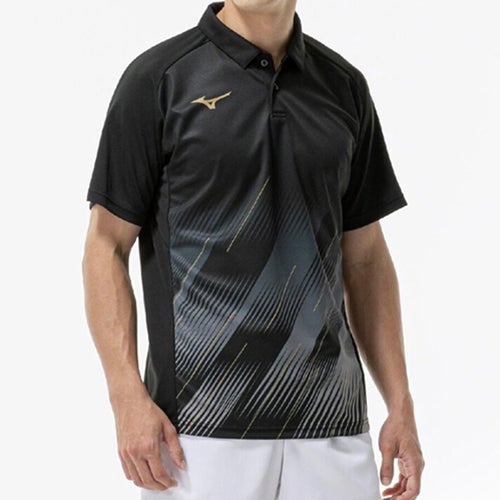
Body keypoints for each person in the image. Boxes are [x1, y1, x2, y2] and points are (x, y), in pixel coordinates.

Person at [82, 1, 425, 499]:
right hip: (198, 429)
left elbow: (366, 258)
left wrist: (400, 403)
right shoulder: (160, 80)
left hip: (332, 423)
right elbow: (106, 245)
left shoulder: (343, 86)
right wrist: (125, 395)